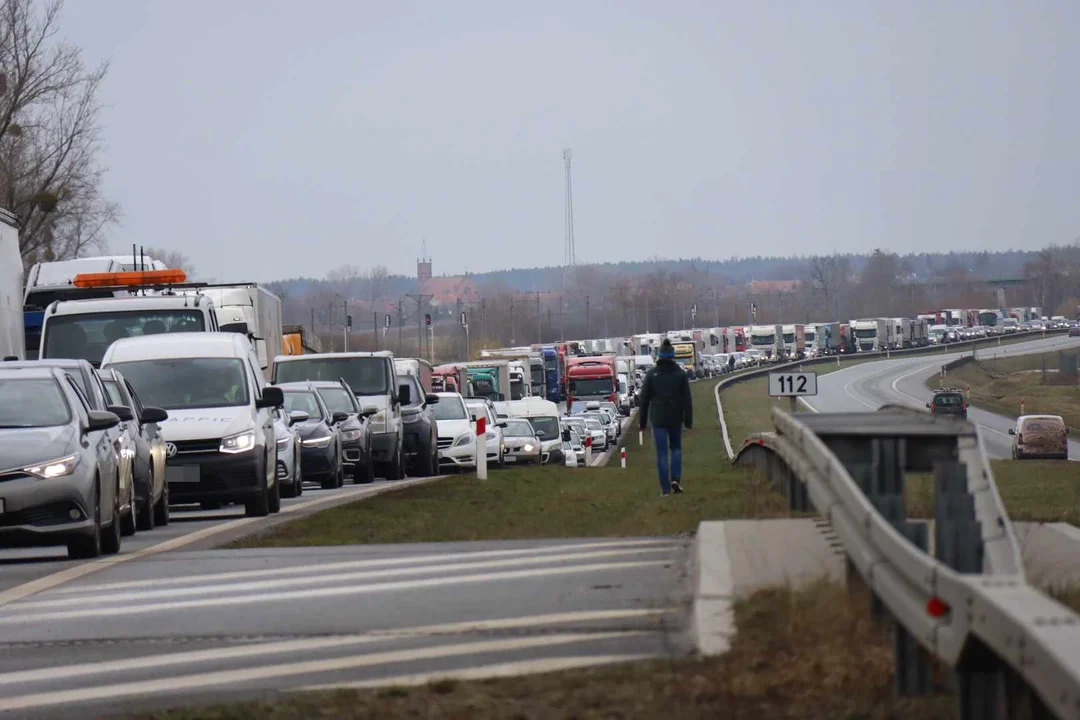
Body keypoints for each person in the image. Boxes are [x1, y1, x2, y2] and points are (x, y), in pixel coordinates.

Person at [638, 338, 693, 496]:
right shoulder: (680, 375)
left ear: (659, 356)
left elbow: (644, 400)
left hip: (658, 419)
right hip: (676, 418)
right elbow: (687, 400)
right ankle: (675, 478)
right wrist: (688, 421)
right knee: (676, 448)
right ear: (673, 356)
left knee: (662, 453)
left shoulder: (652, 375)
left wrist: (642, 423)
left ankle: (665, 489)